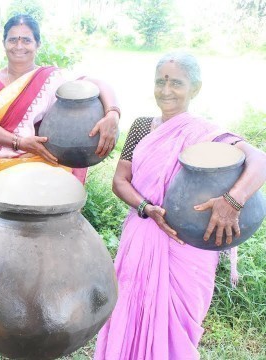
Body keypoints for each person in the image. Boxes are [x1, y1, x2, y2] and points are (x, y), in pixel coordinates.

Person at [94, 51, 266, 359]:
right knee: (128, 311)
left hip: (188, 249)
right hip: (142, 235)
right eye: (160, 81)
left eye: (176, 82)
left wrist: (232, 201)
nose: (166, 90)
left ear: (195, 88)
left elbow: (259, 161)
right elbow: (120, 180)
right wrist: (146, 207)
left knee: (179, 328)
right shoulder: (142, 127)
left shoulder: (206, 134)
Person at [0, 14, 120, 222]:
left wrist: (113, 113)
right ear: (4, 43)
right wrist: (20, 142)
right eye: (13, 39)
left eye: (26, 40)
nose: (19, 46)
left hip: (47, 169)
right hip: (1, 171)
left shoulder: (53, 78)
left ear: (37, 44)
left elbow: (98, 84)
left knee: (48, 234)